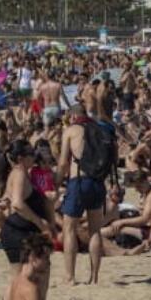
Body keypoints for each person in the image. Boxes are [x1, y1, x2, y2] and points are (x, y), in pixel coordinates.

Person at [1, 139, 58, 300]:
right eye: (31, 154)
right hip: (20, 231)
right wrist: (40, 222)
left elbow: (8, 200)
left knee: (18, 277)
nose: (34, 156)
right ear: (20, 157)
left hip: (16, 230)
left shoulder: (22, 173)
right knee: (31, 276)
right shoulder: (19, 173)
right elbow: (17, 203)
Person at [58, 106, 111, 284]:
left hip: (78, 181)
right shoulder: (100, 129)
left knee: (69, 229)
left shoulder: (71, 131)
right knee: (95, 230)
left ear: (73, 116)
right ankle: (94, 277)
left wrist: (57, 182)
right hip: (97, 182)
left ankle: (70, 276)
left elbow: (63, 162)